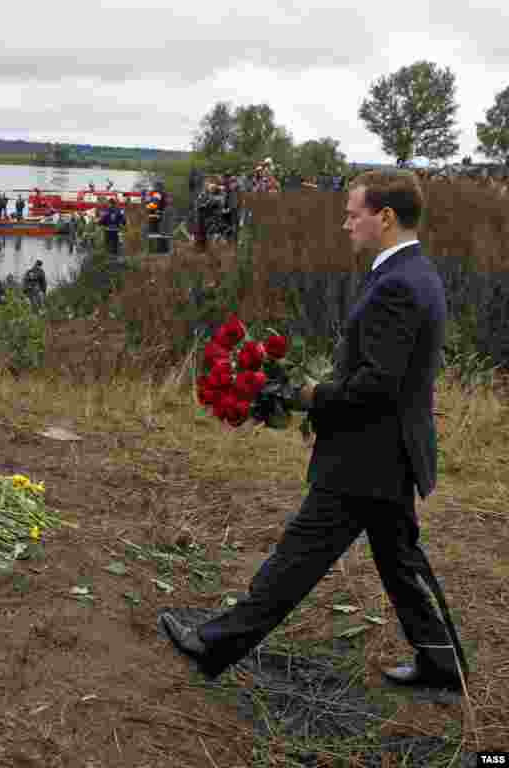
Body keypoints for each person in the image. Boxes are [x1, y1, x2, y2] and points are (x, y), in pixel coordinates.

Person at [157, 169, 469, 694]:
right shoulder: (415, 272)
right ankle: (441, 662)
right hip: (389, 451)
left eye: (353, 213)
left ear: (385, 217)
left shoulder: (397, 283)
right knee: (398, 559)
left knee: (300, 555)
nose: (345, 223)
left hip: (367, 456)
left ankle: (217, 643)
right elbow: (382, 373)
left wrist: (309, 395)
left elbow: (377, 385)